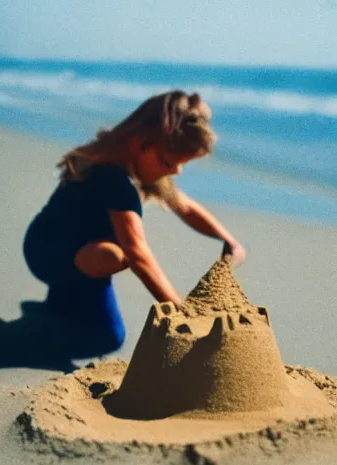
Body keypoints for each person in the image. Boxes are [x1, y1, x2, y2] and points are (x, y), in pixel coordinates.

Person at [23, 90, 246, 356]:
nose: (176, 171)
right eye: (169, 162)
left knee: (106, 254)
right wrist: (182, 313)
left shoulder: (129, 160)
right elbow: (138, 254)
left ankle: (59, 302)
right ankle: (30, 332)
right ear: (141, 143)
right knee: (107, 336)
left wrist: (229, 241)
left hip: (57, 245)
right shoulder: (113, 178)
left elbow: (184, 206)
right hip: (49, 254)